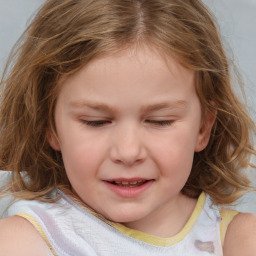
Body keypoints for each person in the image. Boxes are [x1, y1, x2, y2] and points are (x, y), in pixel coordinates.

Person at [0, 0, 256, 255]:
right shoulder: (23, 241)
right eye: (95, 122)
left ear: (203, 128)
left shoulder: (239, 240)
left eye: (160, 121)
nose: (128, 151)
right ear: (50, 127)